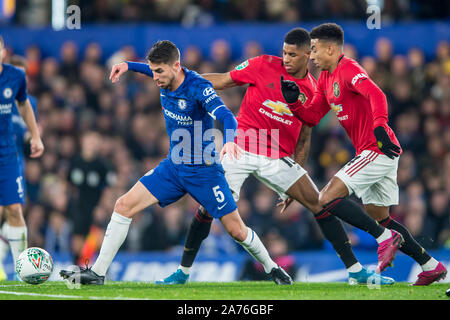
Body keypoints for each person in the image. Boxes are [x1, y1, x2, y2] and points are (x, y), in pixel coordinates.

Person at [112, 29, 400, 286]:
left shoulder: (314, 88)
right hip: (242, 146)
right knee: (207, 209)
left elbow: (305, 135)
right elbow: (223, 80)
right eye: (284, 52)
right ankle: (183, 273)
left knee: (318, 203)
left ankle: (355, 270)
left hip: (278, 156)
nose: (286, 58)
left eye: (292, 54)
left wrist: (296, 175)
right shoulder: (263, 64)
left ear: (307, 56)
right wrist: (182, 81)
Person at [60, 40, 292, 285]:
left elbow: (226, 117)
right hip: (174, 166)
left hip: (205, 172)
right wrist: (127, 65)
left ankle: (273, 268)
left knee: (236, 230)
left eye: (159, 71)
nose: (155, 77)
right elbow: (151, 69)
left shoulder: (199, 87)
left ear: (176, 66)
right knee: (123, 205)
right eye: (153, 71)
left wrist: (231, 141)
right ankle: (97, 273)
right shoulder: (163, 75)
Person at [280, 23, 447, 285]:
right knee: (381, 218)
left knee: (325, 199)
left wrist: (380, 125)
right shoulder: (325, 78)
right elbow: (312, 116)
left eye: (313, 50)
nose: (310, 56)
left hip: (377, 149)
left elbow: (376, 93)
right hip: (373, 152)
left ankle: (383, 238)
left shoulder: (349, 69)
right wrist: (294, 102)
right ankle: (431, 265)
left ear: (331, 49)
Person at [0, 36, 44, 279]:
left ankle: (23, 270)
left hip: (7, 155)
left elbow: (24, 104)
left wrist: (35, 137)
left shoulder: (15, 77)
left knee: (14, 210)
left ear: (3, 52)